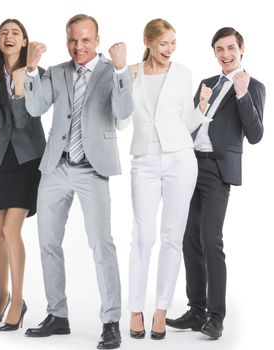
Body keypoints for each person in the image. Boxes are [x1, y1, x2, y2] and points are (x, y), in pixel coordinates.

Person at [23, 13, 133, 350]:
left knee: (102, 245)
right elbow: (34, 107)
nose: (78, 46)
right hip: (56, 165)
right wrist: (30, 68)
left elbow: (124, 112)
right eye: (72, 40)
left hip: (93, 168)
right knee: (47, 243)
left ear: (96, 40)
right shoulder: (56, 71)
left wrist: (120, 70)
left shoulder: (110, 69)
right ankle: (57, 315)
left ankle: (111, 321)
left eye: (85, 40)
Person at [166, 27, 265, 339]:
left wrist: (241, 94)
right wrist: (200, 105)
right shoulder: (207, 83)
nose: (225, 54)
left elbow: (256, 134)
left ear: (241, 48)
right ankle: (196, 310)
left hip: (217, 170)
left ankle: (216, 315)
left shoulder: (253, 85)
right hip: (189, 164)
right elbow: (188, 125)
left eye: (230, 48)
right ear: (214, 52)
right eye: (219, 49)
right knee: (188, 238)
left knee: (211, 239)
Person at [116, 18, 211, 341]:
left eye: (173, 42)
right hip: (143, 159)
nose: (169, 49)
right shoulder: (131, 73)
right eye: (163, 43)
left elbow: (186, 121)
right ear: (147, 41)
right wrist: (121, 83)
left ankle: (161, 309)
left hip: (180, 158)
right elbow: (120, 123)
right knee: (143, 237)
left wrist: (201, 108)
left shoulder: (183, 74)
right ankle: (135, 310)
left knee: (172, 236)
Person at [0, 18, 46, 331]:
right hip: (2, 157)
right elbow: (0, 124)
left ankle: (19, 300)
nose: (9, 36)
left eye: (15, 32)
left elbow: (21, 122)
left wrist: (18, 88)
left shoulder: (36, 74)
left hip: (28, 157)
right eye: (4, 32)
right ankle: (2, 294)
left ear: (25, 40)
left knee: (11, 231)